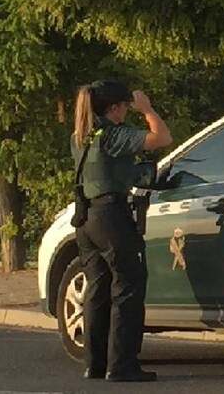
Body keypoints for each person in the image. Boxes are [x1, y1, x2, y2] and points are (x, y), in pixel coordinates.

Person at [71, 79, 172, 382]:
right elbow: (161, 138)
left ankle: (95, 363)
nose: (129, 111)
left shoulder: (81, 135)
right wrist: (147, 110)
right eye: (126, 106)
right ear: (114, 108)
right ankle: (122, 365)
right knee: (128, 285)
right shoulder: (114, 135)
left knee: (97, 288)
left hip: (85, 218)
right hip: (110, 215)